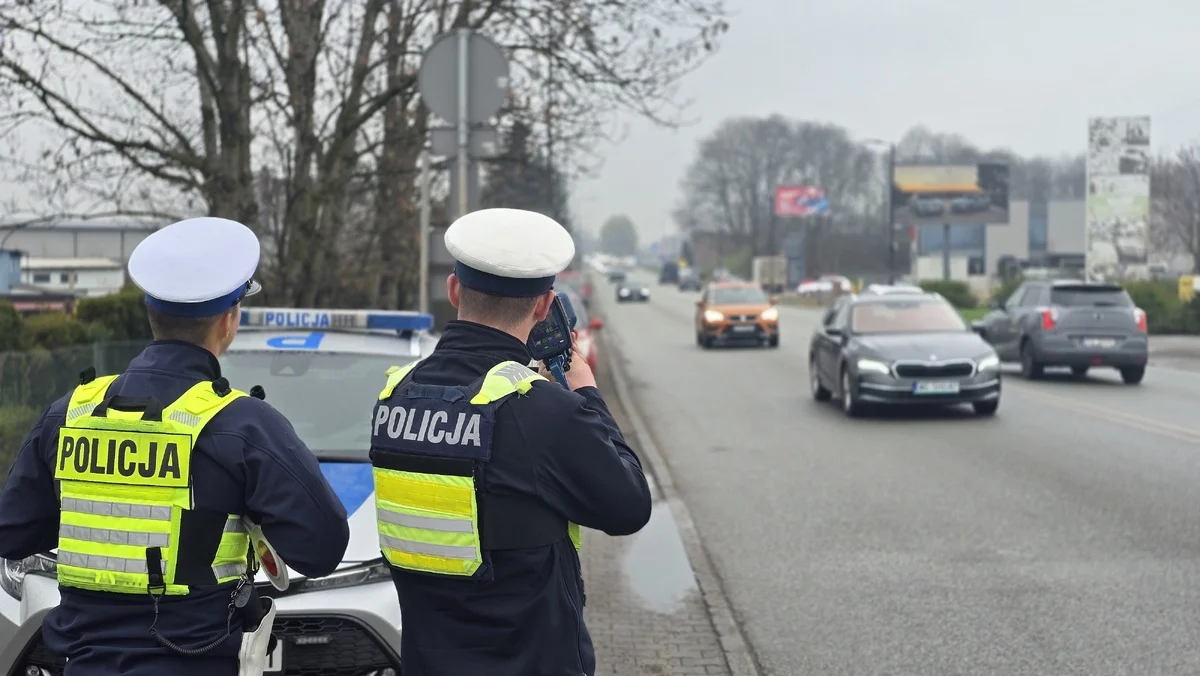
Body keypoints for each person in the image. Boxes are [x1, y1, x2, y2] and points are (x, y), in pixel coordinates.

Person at [0, 217, 351, 676]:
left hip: (85, 663)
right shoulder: (242, 425)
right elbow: (322, 549)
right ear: (229, 319)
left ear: (151, 314)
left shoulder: (70, 413)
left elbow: (13, 532)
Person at [369, 208, 652, 675]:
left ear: (454, 290)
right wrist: (585, 393)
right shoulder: (543, 411)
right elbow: (630, 506)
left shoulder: (395, 397)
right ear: (543, 307)